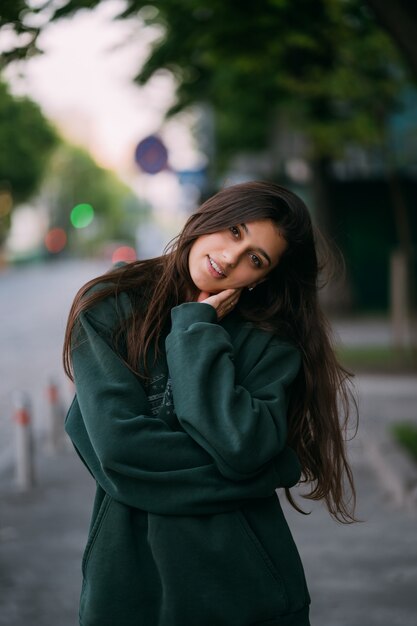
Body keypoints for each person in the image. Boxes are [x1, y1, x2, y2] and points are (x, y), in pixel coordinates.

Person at [63, 180, 357, 626]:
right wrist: (263, 472)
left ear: (263, 278)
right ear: (209, 217)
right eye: (235, 231)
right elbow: (123, 453)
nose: (231, 258)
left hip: (246, 590)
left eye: (255, 259)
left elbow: (240, 445)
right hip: (130, 587)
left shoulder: (268, 341)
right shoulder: (109, 306)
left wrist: (194, 332)